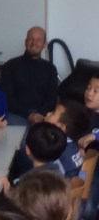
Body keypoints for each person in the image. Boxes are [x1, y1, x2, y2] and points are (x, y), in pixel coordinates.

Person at [0, 26, 58, 126]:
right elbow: (7, 97)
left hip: (43, 114)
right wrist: (29, 115)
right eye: (30, 39)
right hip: (17, 114)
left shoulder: (50, 69)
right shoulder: (10, 66)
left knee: (46, 132)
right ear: (25, 42)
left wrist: (40, 114)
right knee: (18, 133)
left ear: (44, 44)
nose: (34, 43)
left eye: (38, 40)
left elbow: (52, 98)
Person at [0, 122, 67, 195]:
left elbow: (20, 200)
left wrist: (8, 192)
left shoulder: (29, 183)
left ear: (27, 150)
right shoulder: (59, 175)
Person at [45, 100, 90, 178]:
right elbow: (83, 177)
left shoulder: (56, 149)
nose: (48, 113)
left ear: (63, 127)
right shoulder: (73, 144)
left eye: (53, 113)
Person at [78, 74, 99, 220]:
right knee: (80, 199)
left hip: (96, 169)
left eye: (96, 91)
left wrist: (95, 135)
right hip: (83, 166)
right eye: (88, 87)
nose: (89, 93)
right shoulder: (83, 113)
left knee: (88, 208)